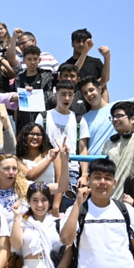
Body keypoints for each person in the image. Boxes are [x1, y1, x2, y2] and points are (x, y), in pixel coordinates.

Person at [35, 79, 91, 210]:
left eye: (70, 94)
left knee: (68, 210)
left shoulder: (79, 120)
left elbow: (83, 149)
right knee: (42, 208)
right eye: (63, 94)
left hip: (71, 170)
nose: (67, 98)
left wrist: (83, 175)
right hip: (46, 169)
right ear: (56, 95)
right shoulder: (43, 116)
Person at [102, 80, 134, 201]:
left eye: (119, 116)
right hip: (116, 200)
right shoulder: (108, 144)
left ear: (133, 119)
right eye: (113, 117)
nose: (115, 120)